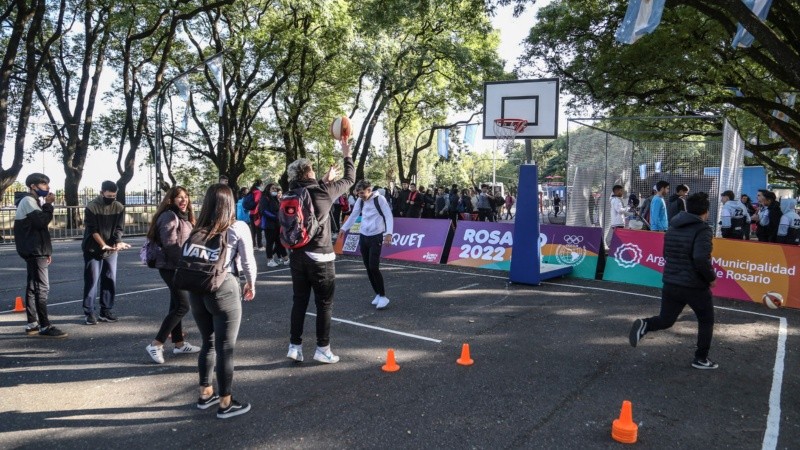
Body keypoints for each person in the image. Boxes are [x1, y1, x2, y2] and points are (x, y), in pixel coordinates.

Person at [189, 183, 257, 419]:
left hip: (196, 289)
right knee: (225, 348)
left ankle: (205, 393)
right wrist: (251, 283)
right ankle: (226, 403)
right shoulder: (237, 226)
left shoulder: (197, 228)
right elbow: (248, 262)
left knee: (207, 342)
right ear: (230, 203)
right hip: (223, 286)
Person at [629, 192, 718, 370]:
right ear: (705, 212)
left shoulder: (673, 226)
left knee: (666, 319)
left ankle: (645, 324)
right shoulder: (703, 229)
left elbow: (665, 254)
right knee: (706, 320)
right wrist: (711, 278)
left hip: (671, 281)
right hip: (694, 285)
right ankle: (701, 359)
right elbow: (700, 258)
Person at [286, 139, 355, 364]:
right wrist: (347, 154)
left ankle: (294, 346)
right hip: (320, 255)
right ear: (308, 172)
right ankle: (322, 348)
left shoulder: (290, 194)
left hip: (296, 255)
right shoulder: (324, 192)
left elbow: (308, 198)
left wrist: (324, 180)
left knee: (299, 301)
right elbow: (350, 179)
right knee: (324, 304)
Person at [145, 186, 201, 364]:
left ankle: (178, 344)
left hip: (178, 266)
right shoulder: (169, 216)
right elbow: (170, 245)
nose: (184, 200)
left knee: (175, 305)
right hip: (172, 267)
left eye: (186, 197)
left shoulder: (184, 216)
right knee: (183, 306)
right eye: (179, 197)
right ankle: (156, 343)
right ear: (171, 200)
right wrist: (185, 266)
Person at [14, 173, 67, 338]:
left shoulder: (31, 201)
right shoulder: (28, 201)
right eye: (44, 185)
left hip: (36, 250)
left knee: (32, 287)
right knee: (42, 288)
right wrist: (49, 205)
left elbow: (38, 227)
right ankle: (45, 325)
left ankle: (32, 324)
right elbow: (41, 222)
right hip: (35, 250)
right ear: (33, 186)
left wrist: (47, 252)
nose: (48, 188)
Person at [339, 179, 394, 309]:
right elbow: (353, 215)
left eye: (362, 193)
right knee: (368, 267)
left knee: (374, 266)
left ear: (369, 190)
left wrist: (388, 234)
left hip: (376, 236)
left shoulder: (379, 199)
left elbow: (388, 216)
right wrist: (343, 228)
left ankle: (383, 296)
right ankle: (377, 294)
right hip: (363, 236)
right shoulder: (359, 201)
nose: (360, 196)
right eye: (358, 193)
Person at [82, 180, 130, 325]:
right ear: (102, 192)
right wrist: (103, 245)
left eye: (113, 196)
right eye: (108, 196)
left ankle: (106, 310)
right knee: (92, 280)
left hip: (111, 249)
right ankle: (89, 312)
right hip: (93, 248)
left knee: (109, 279)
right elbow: (93, 230)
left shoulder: (119, 207)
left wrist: (117, 242)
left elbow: (119, 228)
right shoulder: (91, 207)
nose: (111, 199)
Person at [260, 183, 288, 267]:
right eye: (272, 189)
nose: (274, 191)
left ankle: (286, 258)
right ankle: (270, 260)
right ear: (268, 189)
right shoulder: (265, 198)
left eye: (275, 189)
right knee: (270, 243)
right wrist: (276, 217)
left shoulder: (274, 199)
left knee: (279, 242)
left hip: (277, 224)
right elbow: (263, 211)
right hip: (269, 225)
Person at [245, 180, 264, 250]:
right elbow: (256, 201)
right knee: (258, 230)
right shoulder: (258, 192)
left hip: (251, 213)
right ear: (260, 184)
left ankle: (254, 245)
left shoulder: (252, 191)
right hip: (257, 213)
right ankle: (260, 245)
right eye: (262, 184)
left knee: (253, 230)